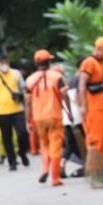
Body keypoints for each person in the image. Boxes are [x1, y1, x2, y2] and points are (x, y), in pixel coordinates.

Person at [77, 37, 103, 187]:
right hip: (94, 110)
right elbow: (82, 84)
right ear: (101, 49)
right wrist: (82, 106)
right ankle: (96, 178)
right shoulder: (89, 62)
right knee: (97, 143)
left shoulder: (100, 65)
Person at [26, 50, 71, 187]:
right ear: (49, 62)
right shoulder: (57, 77)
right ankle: (55, 177)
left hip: (38, 117)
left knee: (44, 144)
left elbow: (27, 103)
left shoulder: (30, 80)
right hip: (54, 115)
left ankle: (45, 168)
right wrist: (69, 111)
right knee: (55, 145)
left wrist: (28, 120)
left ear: (36, 63)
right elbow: (65, 96)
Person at [0, 52, 30, 171]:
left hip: (17, 109)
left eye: (5, 61)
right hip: (2, 112)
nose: (3, 64)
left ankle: (22, 152)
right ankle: (12, 162)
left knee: (23, 133)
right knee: (7, 138)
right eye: (1, 62)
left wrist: (23, 96)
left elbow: (23, 88)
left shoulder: (16, 74)